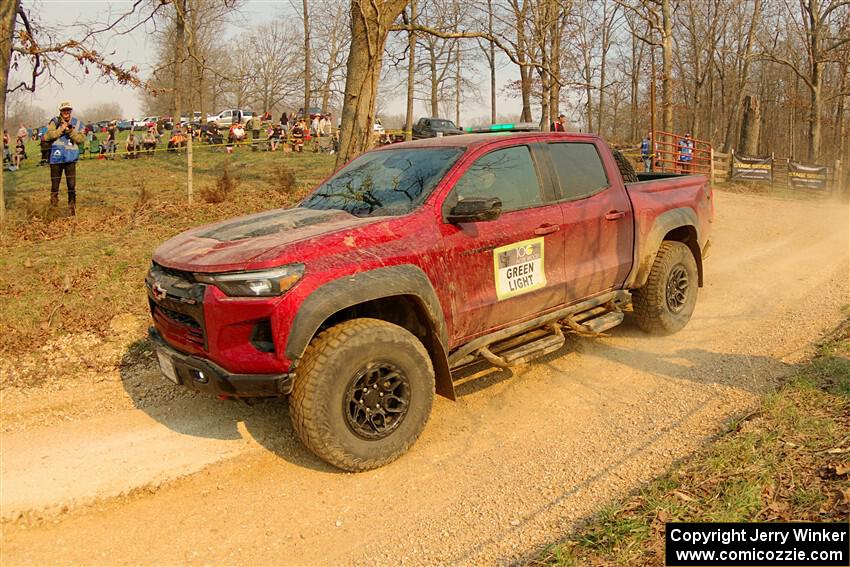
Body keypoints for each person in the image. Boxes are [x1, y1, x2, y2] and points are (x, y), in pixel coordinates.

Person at [45, 100, 85, 214]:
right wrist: (60, 130)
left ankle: (72, 209)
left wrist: (71, 132)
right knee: (55, 186)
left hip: (71, 159)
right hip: (56, 159)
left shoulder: (77, 123)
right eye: (64, 110)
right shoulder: (54, 121)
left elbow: (81, 139)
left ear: (71, 111)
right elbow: (47, 136)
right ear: (60, 111)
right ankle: (53, 209)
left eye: (68, 110)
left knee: (71, 186)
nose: (66, 112)